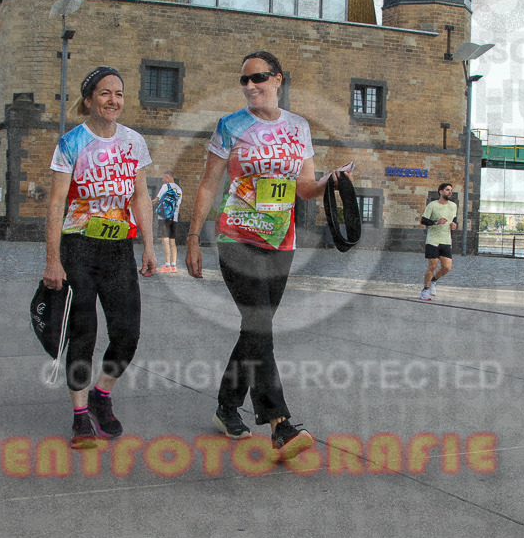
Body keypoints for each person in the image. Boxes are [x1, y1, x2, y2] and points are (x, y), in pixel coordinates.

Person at [185, 51, 349, 461]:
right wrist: (191, 237)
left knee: (255, 330)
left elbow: (304, 188)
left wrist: (331, 179)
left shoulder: (299, 127)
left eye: (258, 77)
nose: (250, 85)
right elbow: (208, 184)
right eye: (244, 80)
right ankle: (280, 425)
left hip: (281, 242)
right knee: (259, 326)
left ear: (277, 79)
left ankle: (227, 405)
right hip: (237, 239)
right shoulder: (231, 126)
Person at [42, 65, 157, 449]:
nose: (114, 100)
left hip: (118, 247)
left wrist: (150, 246)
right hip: (78, 247)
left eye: (119, 94)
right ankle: (79, 416)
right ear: (89, 100)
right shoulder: (72, 142)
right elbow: (57, 202)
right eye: (105, 93)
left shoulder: (133, 142)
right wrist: (52, 260)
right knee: (83, 333)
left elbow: (140, 195)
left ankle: (101, 394)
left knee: (127, 332)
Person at [419, 182, 458, 300]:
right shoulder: (432, 205)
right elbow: (423, 220)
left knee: (447, 267)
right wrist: (436, 222)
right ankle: (424, 291)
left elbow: (454, 220)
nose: (450, 192)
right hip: (433, 240)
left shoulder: (453, 206)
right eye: (447, 190)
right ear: (441, 192)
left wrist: (454, 225)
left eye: (451, 190)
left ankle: (433, 281)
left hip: (446, 240)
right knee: (433, 266)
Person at [153, 171, 182, 272]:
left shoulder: (165, 186)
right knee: (172, 241)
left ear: (167, 176)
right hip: (175, 217)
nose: (162, 180)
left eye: (163, 178)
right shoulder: (179, 189)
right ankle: (174, 266)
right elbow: (178, 205)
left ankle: (167, 265)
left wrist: (147, 204)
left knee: (165, 239)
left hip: (164, 217)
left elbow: (157, 199)